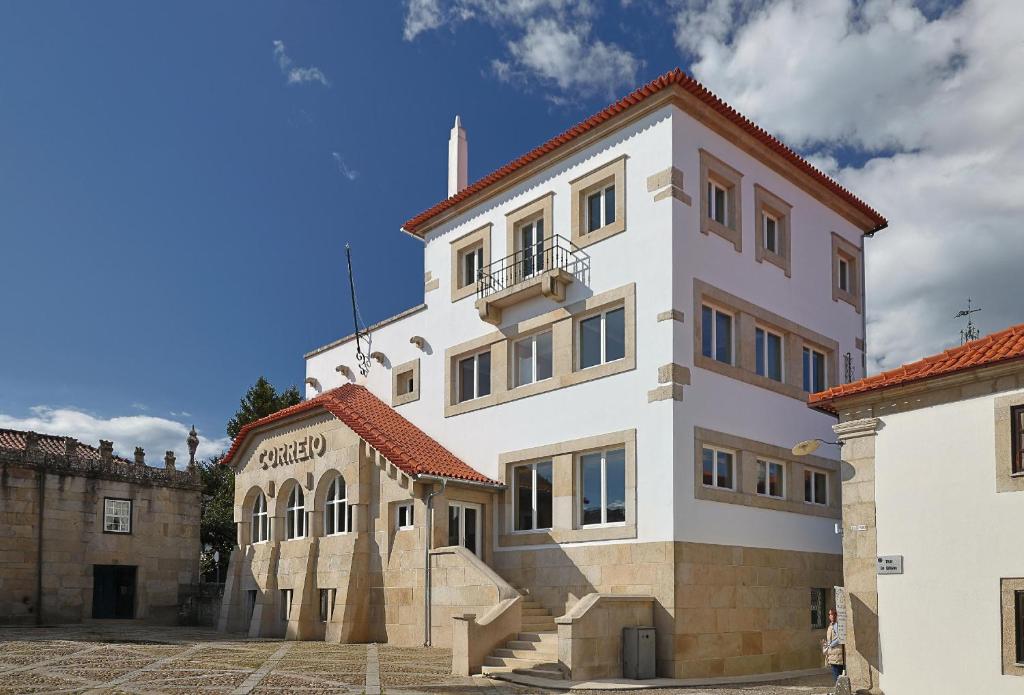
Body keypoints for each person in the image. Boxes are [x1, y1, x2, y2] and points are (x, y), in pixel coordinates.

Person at [822, 606, 845, 685]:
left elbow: (840, 637)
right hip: (833, 654)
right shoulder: (831, 625)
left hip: (837, 655)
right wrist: (826, 643)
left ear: (836, 614)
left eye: (832, 614)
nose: (830, 616)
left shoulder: (837, 624)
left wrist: (831, 644)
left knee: (838, 677)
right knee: (837, 676)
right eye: (829, 614)